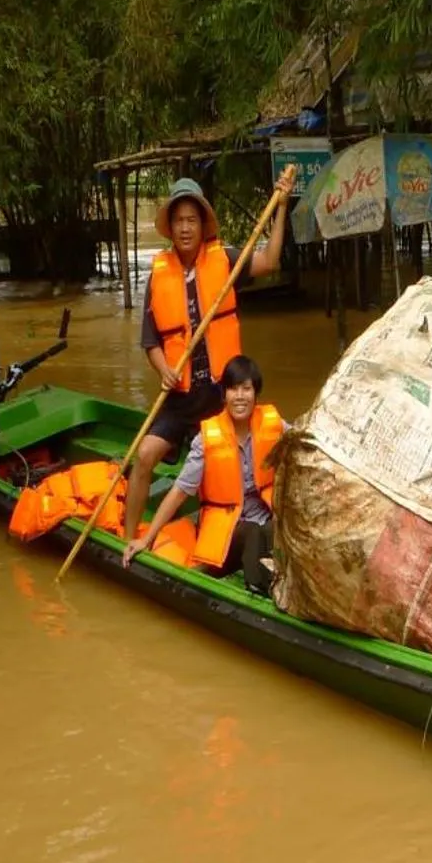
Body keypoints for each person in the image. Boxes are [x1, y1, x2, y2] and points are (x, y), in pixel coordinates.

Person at [122, 174, 289, 544]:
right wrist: (164, 370)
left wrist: (280, 206)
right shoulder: (159, 273)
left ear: (202, 225)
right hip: (179, 398)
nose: (185, 228)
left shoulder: (224, 259)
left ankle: (229, 532)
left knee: (222, 470)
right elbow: (151, 341)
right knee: (144, 456)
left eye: (191, 220)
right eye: (179, 221)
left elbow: (270, 261)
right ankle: (128, 541)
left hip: (217, 397)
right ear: (171, 228)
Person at [124, 354, 282, 596]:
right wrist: (146, 539)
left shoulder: (273, 424)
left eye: (246, 389)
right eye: (233, 389)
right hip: (227, 530)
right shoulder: (206, 439)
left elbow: (304, 444)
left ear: (255, 393)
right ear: (224, 395)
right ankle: (260, 587)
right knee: (252, 532)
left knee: (276, 527)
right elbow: (179, 492)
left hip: (264, 520)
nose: (240, 396)